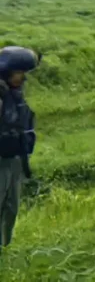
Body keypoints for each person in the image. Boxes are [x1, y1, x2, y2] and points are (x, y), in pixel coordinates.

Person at [0, 46, 40, 251]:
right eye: (19, 73)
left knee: (11, 208)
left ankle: (4, 248)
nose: (23, 78)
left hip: (15, 159)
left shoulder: (15, 95)